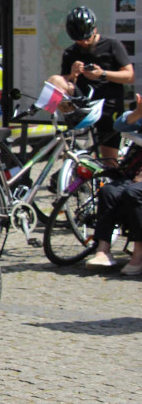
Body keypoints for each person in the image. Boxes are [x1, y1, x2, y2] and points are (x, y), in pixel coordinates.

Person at [56, 6, 135, 163]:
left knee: (109, 161)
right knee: (55, 79)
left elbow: (129, 76)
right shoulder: (70, 53)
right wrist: (72, 75)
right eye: (79, 41)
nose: (84, 43)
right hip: (84, 105)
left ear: (94, 29)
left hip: (109, 107)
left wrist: (103, 74)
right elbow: (65, 82)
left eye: (87, 39)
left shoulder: (112, 45)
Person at [84, 94, 142, 275]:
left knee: (132, 193)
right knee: (109, 191)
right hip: (136, 171)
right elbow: (120, 125)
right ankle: (103, 249)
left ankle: (139, 252)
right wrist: (139, 112)